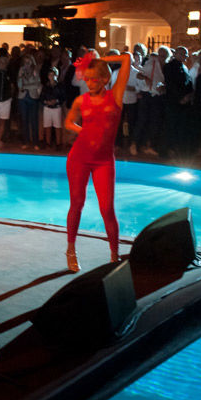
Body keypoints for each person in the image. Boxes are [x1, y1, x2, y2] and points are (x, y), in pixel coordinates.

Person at [63, 50, 131, 271]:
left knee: (107, 209)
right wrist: (82, 130)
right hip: (79, 158)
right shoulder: (81, 100)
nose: (89, 83)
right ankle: (70, 249)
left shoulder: (115, 96)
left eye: (94, 79)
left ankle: (114, 255)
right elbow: (68, 122)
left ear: (105, 79)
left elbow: (127, 58)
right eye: (87, 78)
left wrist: (98, 60)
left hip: (104, 161)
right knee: (77, 204)